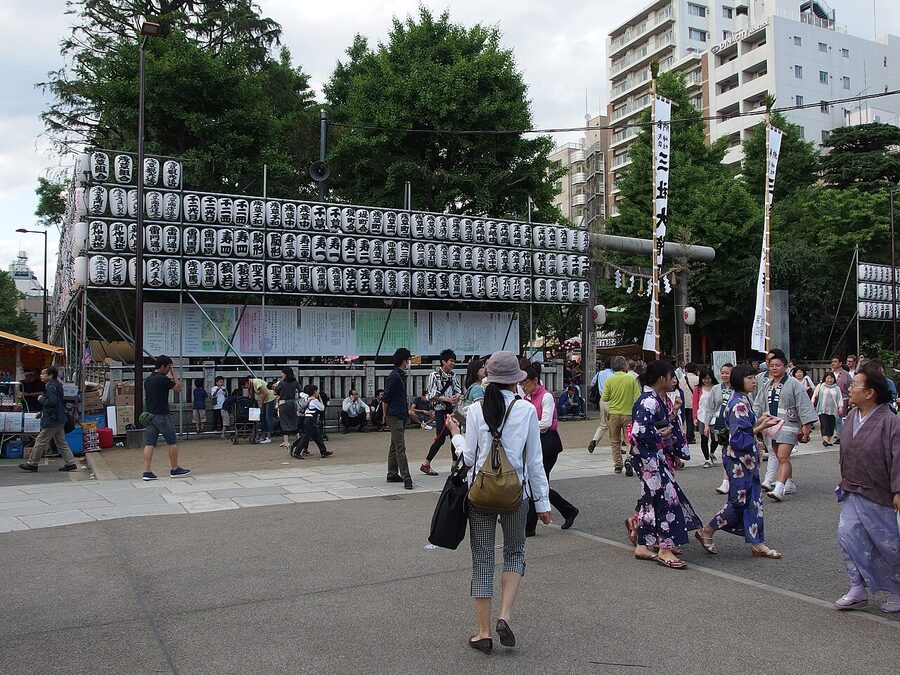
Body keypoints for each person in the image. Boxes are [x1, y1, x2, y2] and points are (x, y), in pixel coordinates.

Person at [443, 351, 551, 652]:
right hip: (517, 494)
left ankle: (484, 631)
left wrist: (455, 434)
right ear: (515, 379)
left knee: (483, 559)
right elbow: (535, 462)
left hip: (481, 495)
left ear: (488, 378)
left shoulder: (476, 411)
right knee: (515, 552)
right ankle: (505, 616)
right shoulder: (527, 410)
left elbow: (469, 458)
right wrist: (542, 504)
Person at [694, 364, 784, 559]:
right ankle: (708, 530)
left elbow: (743, 429)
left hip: (745, 459)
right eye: (749, 378)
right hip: (739, 460)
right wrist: (760, 427)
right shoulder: (739, 403)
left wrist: (760, 421)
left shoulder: (742, 400)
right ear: (739, 380)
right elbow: (738, 437)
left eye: (753, 377)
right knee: (740, 501)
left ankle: (757, 542)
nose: (753, 381)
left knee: (753, 501)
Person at [833, 363, 900, 613]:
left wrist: (898, 490)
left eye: (855, 385)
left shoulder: (890, 421)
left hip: (880, 493)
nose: (850, 389)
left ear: (870, 392)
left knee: (887, 543)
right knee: (847, 536)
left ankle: (897, 589)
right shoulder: (852, 416)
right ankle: (857, 588)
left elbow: (898, 458)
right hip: (853, 490)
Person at [629, 360, 702, 569]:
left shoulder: (654, 400)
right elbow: (639, 431)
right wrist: (660, 434)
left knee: (650, 501)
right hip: (649, 459)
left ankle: (643, 545)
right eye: (671, 377)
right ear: (662, 379)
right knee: (665, 500)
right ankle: (664, 548)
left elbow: (655, 425)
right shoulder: (649, 401)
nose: (673, 381)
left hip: (651, 457)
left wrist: (669, 421)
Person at [521, 364, 579, 536]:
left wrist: (528, 426)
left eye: (526, 383)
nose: (523, 387)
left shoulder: (546, 396)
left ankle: (529, 527)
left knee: (536, 483)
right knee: (538, 483)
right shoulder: (527, 398)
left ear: (535, 381)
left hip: (548, 444)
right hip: (535, 442)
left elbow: (545, 424)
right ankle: (568, 511)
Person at [754, 349, 818, 501]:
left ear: (785, 366)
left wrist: (806, 425)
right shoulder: (767, 384)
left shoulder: (794, 384)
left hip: (789, 425)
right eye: (772, 365)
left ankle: (779, 488)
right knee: (781, 456)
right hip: (771, 426)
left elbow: (803, 404)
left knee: (782, 456)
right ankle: (789, 483)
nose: (774, 368)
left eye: (778, 365)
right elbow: (758, 404)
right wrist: (752, 419)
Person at [18, 366, 77, 473]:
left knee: (40, 441)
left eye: (43, 373)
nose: (41, 375)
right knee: (61, 442)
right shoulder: (57, 385)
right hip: (59, 418)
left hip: (52, 419)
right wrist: (41, 412)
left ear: (50, 375)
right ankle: (71, 463)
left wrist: (41, 399)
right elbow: (56, 402)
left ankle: (32, 463)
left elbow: (52, 402)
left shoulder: (51, 386)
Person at [139, 355, 189, 480]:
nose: (168, 370)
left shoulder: (149, 379)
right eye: (168, 368)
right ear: (162, 366)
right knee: (172, 441)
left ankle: (146, 471)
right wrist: (174, 374)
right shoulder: (162, 379)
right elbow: (178, 388)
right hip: (162, 415)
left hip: (149, 415)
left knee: (150, 443)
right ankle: (174, 468)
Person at [420, 348, 462, 476]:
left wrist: (456, 397)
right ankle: (426, 464)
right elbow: (432, 394)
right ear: (443, 361)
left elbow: (458, 390)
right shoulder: (434, 375)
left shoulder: (453, 375)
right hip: (440, 411)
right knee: (440, 438)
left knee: (455, 436)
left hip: (451, 410)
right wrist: (447, 399)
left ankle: (455, 465)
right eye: (451, 361)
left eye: (454, 361)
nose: (452, 363)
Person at [598, 356, 641, 474]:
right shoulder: (631, 380)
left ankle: (618, 464)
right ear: (624, 366)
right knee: (629, 440)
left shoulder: (610, 380)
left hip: (614, 414)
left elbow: (605, 397)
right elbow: (637, 397)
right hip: (628, 414)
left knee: (615, 441)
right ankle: (629, 459)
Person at [383, 348, 413, 489]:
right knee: (400, 447)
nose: (409, 363)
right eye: (408, 360)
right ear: (403, 361)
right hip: (394, 415)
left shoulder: (400, 375)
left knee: (394, 445)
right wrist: (384, 416)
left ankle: (392, 473)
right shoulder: (394, 376)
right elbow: (386, 398)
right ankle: (407, 477)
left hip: (400, 414)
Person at [702, 362, 734, 493]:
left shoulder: (738, 388)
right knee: (725, 452)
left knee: (733, 452)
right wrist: (706, 424)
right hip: (719, 423)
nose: (724, 375)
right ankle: (726, 481)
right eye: (722, 373)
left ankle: (731, 480)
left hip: (734, 422)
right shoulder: (715, 389)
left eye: (727, 373)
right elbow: (709, 408)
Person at [294, 384, 332, 458]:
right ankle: (297, 451)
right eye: (317, 391)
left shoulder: (307, 398)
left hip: (308, 419)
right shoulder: (314, 400)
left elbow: (302, 394)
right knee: (306, 437)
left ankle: (323, 451)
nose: (318, 392)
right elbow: (322, 408)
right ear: (314, 392)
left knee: (318, 437)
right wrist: (320, 398)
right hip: (310, 420)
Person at [694, 367, 718, 468]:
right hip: (702, 416)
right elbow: (695, 403)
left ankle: (712, 452)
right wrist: (694, 417)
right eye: (704, 378)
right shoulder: (698, 389)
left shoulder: (717, 387)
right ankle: (706, 459)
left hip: (715, 416)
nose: (706, 381)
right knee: (704, 438)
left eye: (708, 378)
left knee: (716, 438)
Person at [812, 371, 843, 447]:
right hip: (822, 409)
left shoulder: (837, 388)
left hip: (833, 410)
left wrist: (840, 407)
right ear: (825, 379)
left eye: (831, 378)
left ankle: (828, 440)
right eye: (828, 378)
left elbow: (839, 398)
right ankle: (825, 440)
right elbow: (814, 395)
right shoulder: (820, 386)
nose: (830, 380)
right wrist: (812, 403)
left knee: (831, 425)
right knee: (824, 424)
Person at [274, 367, 300, 448]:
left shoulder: (281, 383)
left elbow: (277, 392)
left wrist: (275, 387)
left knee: (284, 422)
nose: (281, 374)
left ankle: (286, 441)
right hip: (292, 403)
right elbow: (300, 390)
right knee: (294, 421)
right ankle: (298, 439)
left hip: (283, 404)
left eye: (282, 373)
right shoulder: (295, 382)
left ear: (285, 374)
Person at [247, 374, 277, 444]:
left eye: (245, 386)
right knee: (262, 417)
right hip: (265, 400)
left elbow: (265, 393)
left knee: (268, 418)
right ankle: (263, 436)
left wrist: (261, 403)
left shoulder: (255, 382)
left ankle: (268, 437)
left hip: (270, 399)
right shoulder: (252, 385)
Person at [829, 356, 851, 443]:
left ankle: (841, 436)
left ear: (840, 363)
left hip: (843, 398)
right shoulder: (830, 374)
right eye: (832, 362)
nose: (833, 363)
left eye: (835, 361)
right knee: (833, 418)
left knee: (839, 417)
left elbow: (850, 386)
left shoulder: (846, 374)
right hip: (830, 399)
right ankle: (840, 433)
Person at [678, 363, 698, 444]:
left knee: (684, 420)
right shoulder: (697, 379)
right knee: (690, 421)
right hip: (692, 403)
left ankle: (685, 435)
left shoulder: (682, 379)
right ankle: (690, 437)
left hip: (683, 402)